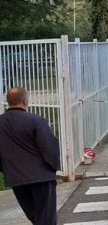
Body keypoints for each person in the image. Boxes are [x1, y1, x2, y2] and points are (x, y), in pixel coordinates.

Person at [0, 87, 60, 225]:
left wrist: (8, 170)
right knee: (46, 218)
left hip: (17, 179)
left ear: (8, 101)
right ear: (25, 101)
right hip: (42, 177)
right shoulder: (35, 120)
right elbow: (49, 146)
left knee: (34, 217)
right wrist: (52, 168)